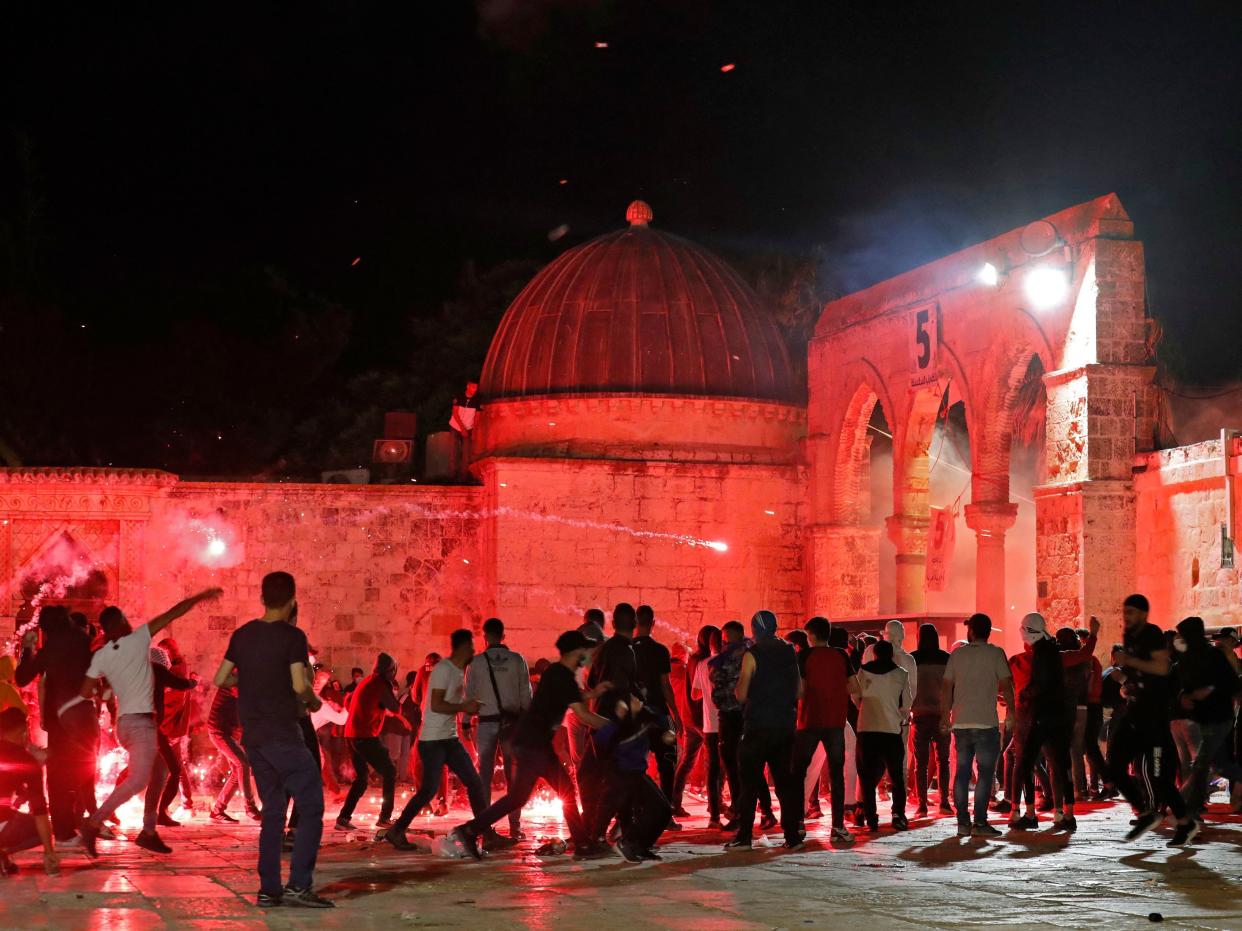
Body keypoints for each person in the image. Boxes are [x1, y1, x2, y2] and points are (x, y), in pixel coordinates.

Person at [213, 572, 332, 908]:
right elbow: (298, 684)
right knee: (311, 806)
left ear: (262, 598)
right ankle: (298, 886)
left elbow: (221, 677)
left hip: (255, 738)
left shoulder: (242, 635)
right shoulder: (293, 636)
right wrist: (313, 700)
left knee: (274, 812)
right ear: (292, 599)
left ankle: (268, 890)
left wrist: (250, 679)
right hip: (283, 733)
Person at [77, 588, 222, 857]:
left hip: (129, 723)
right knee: (138, 780)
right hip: (140, 724)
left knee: (161, 772)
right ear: (120, 623)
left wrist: (106, 690)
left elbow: (85, 691)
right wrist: (199, 598)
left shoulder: (103, 654)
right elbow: (170, 614)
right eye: (124, 619)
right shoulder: (135, 641)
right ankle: (94, 822)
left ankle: (149, 830)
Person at [451, 630, 611, 860]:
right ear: (575, 652)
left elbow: (572, 697)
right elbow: (584, 715)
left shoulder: (557, 672)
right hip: (533, 745)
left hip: (533, 743)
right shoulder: (562, 676)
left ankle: (584, 844)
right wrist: (616, 726)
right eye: (585, 651)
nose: (587, 655)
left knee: (540, 793)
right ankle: (584, 845)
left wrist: (594, 693)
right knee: (539, 794)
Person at [385, 630, 491, 850]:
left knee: (473, 781)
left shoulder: (456, 671)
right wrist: (465, 706)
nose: (473, 651)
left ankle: (486, 832)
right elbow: (436, 704)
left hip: (448, 738)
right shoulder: (443, 669)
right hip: (434, 739)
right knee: (429, 789)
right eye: (470, 647)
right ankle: (397, 830)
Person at [1107, 594, 1197, 846]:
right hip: (1134, 713)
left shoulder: (1153, 633)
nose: (1126, 617)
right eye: (1124, 612)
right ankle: (1145, 812)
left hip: (1154, 721)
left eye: (1132, 612)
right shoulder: (1130, 636)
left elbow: (1161, 668)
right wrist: (1128, 685)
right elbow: (1140, 673)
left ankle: (1185, 822)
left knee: (1159, 777)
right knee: (1113, 765)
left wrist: (1130, 662)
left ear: (1144, 614)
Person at [15, 605, 94, 845]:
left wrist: (27, 648)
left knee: (59, 777)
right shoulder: (82, 639)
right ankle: (81, 820)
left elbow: (22, 677)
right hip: (84, 716)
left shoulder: (54, 647)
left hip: (62, 721)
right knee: (81, 770)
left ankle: (64, 831)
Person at [725, 610, 804, 850]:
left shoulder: (753, 654)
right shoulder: (789, 651)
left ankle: (744, 836)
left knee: (749, 783)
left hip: (758, 726)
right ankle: (792, 836)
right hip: (784, 726)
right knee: (784, 783)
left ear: (755, 630)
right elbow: (799, 691)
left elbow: (741, 693)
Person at [940, 613, 1014, 838]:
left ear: (971, 631)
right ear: (988, 631)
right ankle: (980, 823)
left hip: (961, 723)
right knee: (984, 774)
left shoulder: (957, 655)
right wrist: (1012, 712)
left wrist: (945, 716)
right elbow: (1007, 686)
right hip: (986, 723)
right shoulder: (996, 654)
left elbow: (946, 688)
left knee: (962, 772)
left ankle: (963, 822)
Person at [1009, 613, 1077, 832]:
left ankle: (1029, 813)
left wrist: (1026, 693)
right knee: (1060, 765)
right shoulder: (1052, 649)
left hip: (1041, 715)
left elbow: (1042, 683)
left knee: (1025, 763)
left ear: (1028, 631)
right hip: (1058, 715)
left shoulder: (1041, 652)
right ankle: (1065, 813)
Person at [589, 693, 676, 862]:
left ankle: (640, 846)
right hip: (623, 776)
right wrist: (618, 717)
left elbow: (658, 726)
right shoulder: (616, 725)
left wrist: (666, 735)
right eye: (632, 700)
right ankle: (628, 842)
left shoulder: (643, 720)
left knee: (663, 811)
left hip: (637, 774)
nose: (638, 701)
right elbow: (601, 742)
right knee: (657, 809)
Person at [466, 617, 531, 840]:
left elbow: (470, 696)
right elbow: (526, 695)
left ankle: (484, 825)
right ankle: (515, 826)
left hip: (485, 723)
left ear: (485, 637)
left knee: (483, 775)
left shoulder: (476, 663)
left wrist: (466, 721)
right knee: (514, 776)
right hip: (512, 724)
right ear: (503, 635)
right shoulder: (516, 660)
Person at [792, 616, 854, 845]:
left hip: (809, 720)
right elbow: (854, 686)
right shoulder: (841, 655)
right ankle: (837, 827)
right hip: (835, 722)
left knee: (799, 772)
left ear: (811, 636)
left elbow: (800, 691)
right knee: (837, 775)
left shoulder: (804, 656)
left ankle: (797, 824)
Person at [1175, 616, 1241, 826]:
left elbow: (1231, 684)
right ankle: (1191, 810)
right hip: (1203, 719)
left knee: (1202, 763)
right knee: (1217, 765)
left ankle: (1190, 811)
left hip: (1220, 717)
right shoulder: (1188, 658)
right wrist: (1185, 696)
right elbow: (1183, 685)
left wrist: (1209, 691)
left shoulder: (1213, 655)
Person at [712, 621, 776, 830]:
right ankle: (762, 811)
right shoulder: (754, 652)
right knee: (751, 765)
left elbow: (719, 683)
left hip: (733, 714)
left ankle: (741, 813)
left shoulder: (730, 656)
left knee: (736, 766)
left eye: (725, 637)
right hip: (749, 715)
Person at [336, 652, 402, 831]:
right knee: (390, 771)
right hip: (364, 735)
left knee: (362, 779)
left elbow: (353, 702)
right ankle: (385, 817)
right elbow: (395, 707)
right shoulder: (380, 683)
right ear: (390, 670)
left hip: (352, 734)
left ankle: (343, 818)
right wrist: (392, 692)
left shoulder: (367, 681)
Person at [849, 639, 911, 833]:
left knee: (867, 777)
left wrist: (864, 709)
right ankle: (898, 815)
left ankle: (871, 818)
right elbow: (906, 704)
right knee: (896, 777)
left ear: (874, 654)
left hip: (867, 729)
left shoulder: (863, 671)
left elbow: (855, 697)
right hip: (891, 730)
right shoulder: (901, 674)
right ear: (892, 655)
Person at [632, 605, 682, 827]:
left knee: (634, 765)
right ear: (653, 623)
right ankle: (665, 812)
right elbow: (665, 685)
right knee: (667, 763)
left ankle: (636, 812)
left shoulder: (627, 649)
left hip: (634, 717)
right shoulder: (661, 650)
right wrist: (676, 715)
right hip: (659, 715)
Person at [0, 707, 59, 877]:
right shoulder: (26, 761)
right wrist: (49, 853)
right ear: (23, 731)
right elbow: (40, 811)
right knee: (41, 827)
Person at [911, 623, 952, 817]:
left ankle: (922, 806)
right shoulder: (946, 658)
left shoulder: (913, 659)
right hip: (942, 715)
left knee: (921, 763)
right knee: (943, 761)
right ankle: (944, 803)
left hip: (919, 715)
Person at [207, 682, 260, 822]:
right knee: (243, 764)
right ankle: (250, 808)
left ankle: (217, 811)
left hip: (228, 733)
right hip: (219, 731)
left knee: (238, 772)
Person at [689, 625, 725, 827]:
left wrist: (706, 690)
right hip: (727, 723)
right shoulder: (729, 663)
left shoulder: (702, 664)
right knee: (728, 768)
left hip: (709, 724)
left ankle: (714, 817)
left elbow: (695, 695)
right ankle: (733, 810)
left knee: (711, 770)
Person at [566, 610, 606, 768]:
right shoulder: (610, 645)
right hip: (602, 708)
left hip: (582, 708)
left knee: (579, 759)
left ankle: (582, 788)